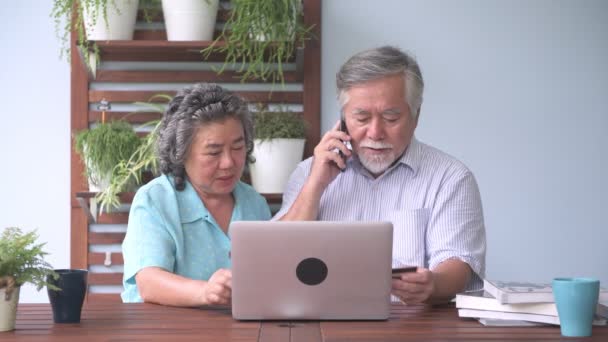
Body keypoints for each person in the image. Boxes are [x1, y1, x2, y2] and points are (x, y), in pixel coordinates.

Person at [275, 46, 486, 304]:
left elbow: (458, 261)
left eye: (391, 117)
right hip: (322, 321)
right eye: (361, 117)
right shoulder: (309, 172)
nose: (375, 133)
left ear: (416, 116)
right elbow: (277, 258)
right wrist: (316, 184)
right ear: (343, 120)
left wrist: (433, 284)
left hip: (410, 326)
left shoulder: (451, 178)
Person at [121, 83, 271, 306]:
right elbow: (149, 283)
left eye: (238, 147)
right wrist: (205, 292)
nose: (229, 162)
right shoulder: (155, 200)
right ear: (181, 153)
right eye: (214, 152)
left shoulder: (254, 203)